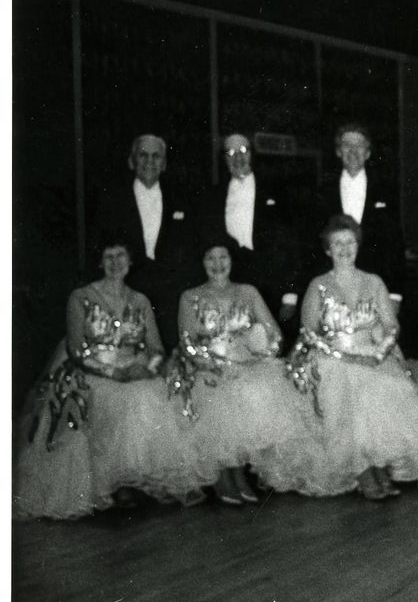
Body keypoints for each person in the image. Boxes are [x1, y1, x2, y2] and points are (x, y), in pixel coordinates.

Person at [14, 239, 205, 518]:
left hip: (134, 370)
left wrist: (147, 369)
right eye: (108, 257)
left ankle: (135, 479)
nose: (115, 263)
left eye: (121, 256)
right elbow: (76, 350)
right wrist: (112, 372)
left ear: (130, 262)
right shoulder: (81, 297)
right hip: (90, 371)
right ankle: (113, 484)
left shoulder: (140, 300)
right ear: (100, 262)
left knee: (150, 395)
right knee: (113, 399)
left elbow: (156, 349)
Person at [263, 215, 418, 499]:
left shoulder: (373, 282)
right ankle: (361, 470)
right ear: (327, 249)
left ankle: (375, 464)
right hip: (330, 358)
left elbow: (391, 325)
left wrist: (379, 353)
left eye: (350, 242)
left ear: (358, 245)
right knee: (347, 389)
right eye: (338, 243)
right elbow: (309, 333)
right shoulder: (317, 285)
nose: (344, 249)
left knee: (388, 388)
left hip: (370, 354)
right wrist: (342, 356)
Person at [174, 236, 310, 506]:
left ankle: (239, 475)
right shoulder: (190, 297)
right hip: (209, 369)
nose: (217, 264)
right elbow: (187, 343)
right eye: (210, 258)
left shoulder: (248, 291)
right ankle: (223, 477)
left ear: (232, 260)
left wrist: (260, 356)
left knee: (255, 391)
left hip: (247, 365)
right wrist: (216, 365)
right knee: (223, 400)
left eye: (223, 257)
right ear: (201, 263)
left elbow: (274, 334)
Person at [93, 134, 198, 351]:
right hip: (128, 292)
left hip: (171, 295)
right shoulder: (112, 200)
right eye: (143, 155)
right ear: (132, 161)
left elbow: (190, 247)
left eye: (156, 156)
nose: (149, 161)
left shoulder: (182, 198)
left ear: (164, 163)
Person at [204, 133, 302, 337]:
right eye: (230, 153)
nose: (237, 158)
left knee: (274, 343)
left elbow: (292, 242)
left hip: (272, 283)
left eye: (243, 151)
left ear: (252, 155)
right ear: (224, 159)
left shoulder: (276, 190)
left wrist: (291, 295)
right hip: (232, 282)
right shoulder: (214, 195)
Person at [313, 123, 407, 294]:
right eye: (347, 145)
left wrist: (395, 292)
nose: (353, 150)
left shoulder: (386, 189)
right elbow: (314, 241)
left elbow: (395, 242)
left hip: (375, 280)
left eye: (359, 145)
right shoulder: (323, 191)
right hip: (334, 280)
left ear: (368, 153)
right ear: (338, 151)